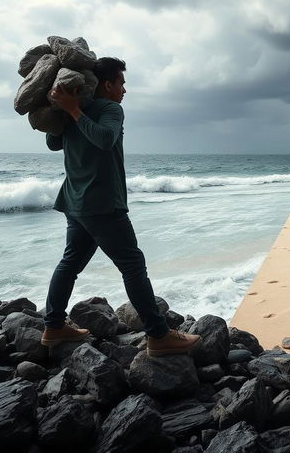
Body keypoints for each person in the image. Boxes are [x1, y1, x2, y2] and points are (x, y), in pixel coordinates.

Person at [40, 57, 201, 356]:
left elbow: (53, 142)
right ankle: (159, 335)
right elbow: (104, 139)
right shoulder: (109, 109)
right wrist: (72, 109)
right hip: (101, 204)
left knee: (70, 264)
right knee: (133, 266)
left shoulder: (76, 111)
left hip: (75, 203)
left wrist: (68, 112)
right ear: (107, 84)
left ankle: (53, 326)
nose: (124, 89)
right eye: (121, 82)